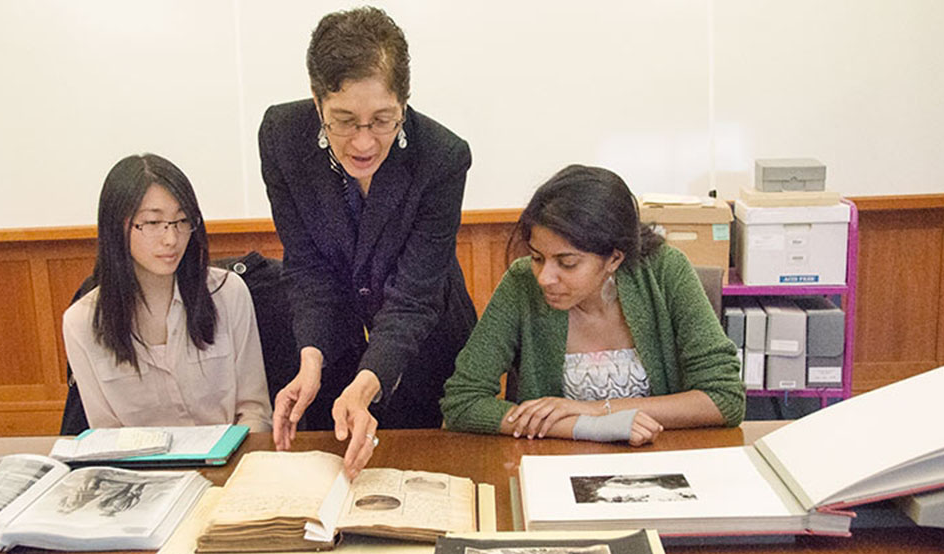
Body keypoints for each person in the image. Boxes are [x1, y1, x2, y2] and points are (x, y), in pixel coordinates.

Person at [259, 7, 477, 478]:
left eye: (383, 120)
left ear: (405, 102)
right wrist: (311, 357)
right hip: (336, 336)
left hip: (423, 340)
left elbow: (414, 298)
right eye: (343, 120)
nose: (364, 142)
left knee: (413, 479)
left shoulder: (441, 158)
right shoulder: (282, 138)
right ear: (317, 102)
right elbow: (307, 266)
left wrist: (369, 380)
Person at [441, 165, 744, 445]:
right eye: (537, 257)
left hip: (661, 463)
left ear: (614, 258)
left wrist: (598, 410)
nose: (545, 277)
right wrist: (582, 425)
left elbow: (724, 397)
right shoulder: (522, 282)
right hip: (553, 470)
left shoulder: (666, 271)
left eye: (567, 263)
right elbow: (463, 401)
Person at [62, 154, 272, 432]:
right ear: (116, 227)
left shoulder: (228, 293)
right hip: (143, 472)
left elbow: (254, 412)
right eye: (152, 223)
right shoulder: (82, 322)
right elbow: (106, 436)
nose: (171, 238)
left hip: (229, 465)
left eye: (182, 221)